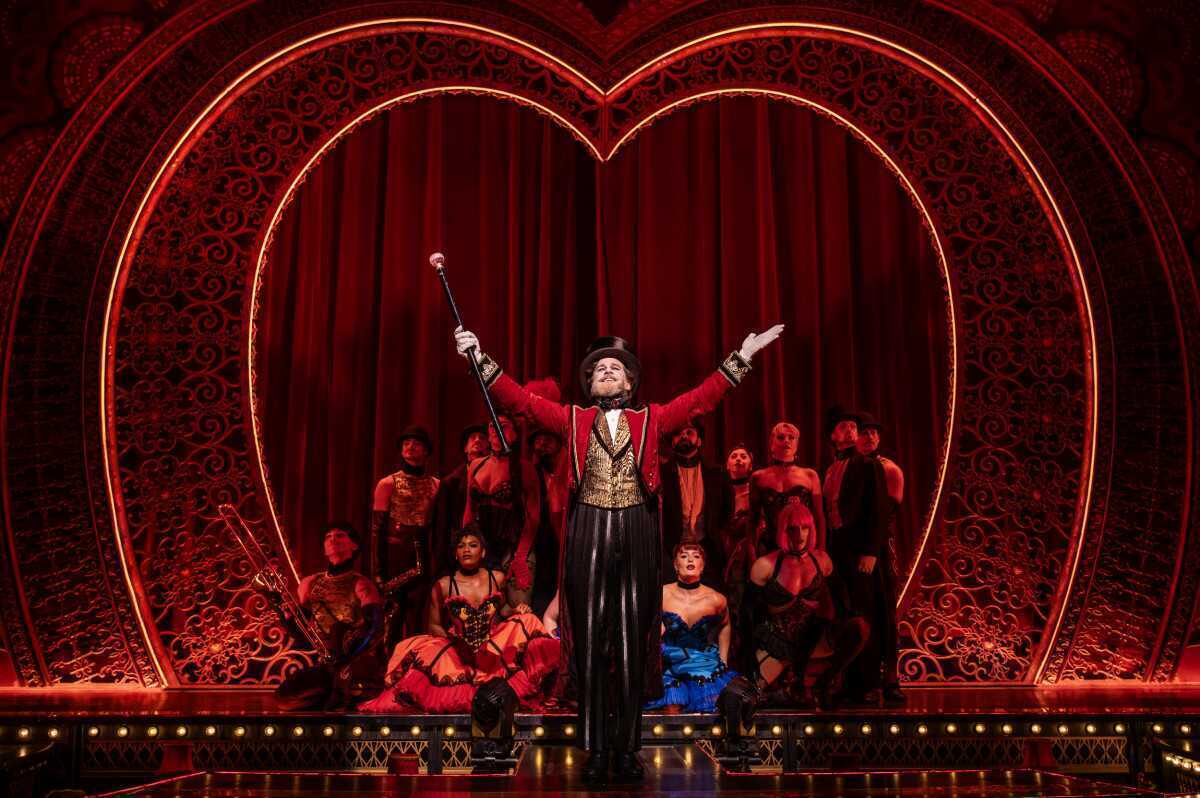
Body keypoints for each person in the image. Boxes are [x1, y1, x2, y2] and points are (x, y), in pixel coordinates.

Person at [453, 323, 783, 783]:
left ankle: (627, 748)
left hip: (636, 529)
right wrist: (478, 358)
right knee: (591, 639)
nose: (607, 372)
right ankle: (594, 748)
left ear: (629, 382)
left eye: (616, 368)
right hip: (588, 528)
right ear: (590, 385)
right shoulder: (571, 419)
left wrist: (740, 358)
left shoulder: (653, 419)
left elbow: (700, 400)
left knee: (631, 637)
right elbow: (519, 401)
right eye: (599, 369)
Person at [359, 526, 559, 713]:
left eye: (473, 545)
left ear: (483, 552)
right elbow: (433, 625)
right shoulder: (444, 585)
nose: (466, 550)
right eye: (461, 546)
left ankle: (551, 690)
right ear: (455, 554)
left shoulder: (497, 578)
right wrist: (455, 642)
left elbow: (503, 608)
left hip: (491, 645)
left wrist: (517, 609)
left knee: (528, 620)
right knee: (426, 652)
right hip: (457, 647)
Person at [748, 503, 867, 709]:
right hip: (779, 643)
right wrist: (750, 652)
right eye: (793, 529)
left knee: (859, 627)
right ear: (783, 530)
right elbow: (748, 614)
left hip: (814, 639)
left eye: (805, 528)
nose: (800, 535)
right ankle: (790, 686)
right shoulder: (765, 565)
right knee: (748, 695)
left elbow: (842, 601)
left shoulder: (822, 560)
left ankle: (823, 683)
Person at [822, 406, 889, 705]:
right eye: (843, 427)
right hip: (838, 549)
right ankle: (848, 682)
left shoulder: (868, 465)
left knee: (865, 613)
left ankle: (871, 683)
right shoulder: (829, 470)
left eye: (853, 427)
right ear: (832, 436)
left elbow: (879, 510)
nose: (850, 431)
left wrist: (871, 551)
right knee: (845, 614)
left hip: (861, 549)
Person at [276, 523, 384, 710]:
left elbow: (374, 627)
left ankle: (340, 692)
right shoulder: (309, 583)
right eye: (328, 537)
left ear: (354, 546)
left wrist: (346, 658)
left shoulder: (362, 584)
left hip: (354, 661)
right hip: (326, 662)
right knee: (284, 697)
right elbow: (300, 634)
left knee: (339, 632)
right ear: (324, 549)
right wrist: (280, 610)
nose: (333, 539)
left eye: (340, 535)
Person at [462, 413, 541, 609]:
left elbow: (533, 517)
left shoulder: (525, 469)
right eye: (492, 426)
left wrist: (521, 557)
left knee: (519, 611)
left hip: (515, 548)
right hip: (483, 548)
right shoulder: (476, 466)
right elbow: (469, 510)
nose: (497, 430)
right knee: (482, 612)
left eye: (504, 425)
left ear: (515, 434)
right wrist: (464, 545)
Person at [646, 543, 735, 713]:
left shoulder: (716, 599)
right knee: (672, 703)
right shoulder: (661, 594)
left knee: (710, 705)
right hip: (669, 661)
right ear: (675, 565)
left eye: (696, 556)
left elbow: (725, 625)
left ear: (702, 566)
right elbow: (647, 624)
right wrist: (656, 630)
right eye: (684, 556)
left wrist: (723, 659)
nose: (690, 560)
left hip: (701, 662)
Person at [854, 411, 905, 705]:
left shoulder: (889, 469)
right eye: (864, 432)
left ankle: (890, 679)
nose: (870, 437)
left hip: (879, 549)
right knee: (861, 615)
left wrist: (871, 549)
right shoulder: (849, 468)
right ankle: (865, 679)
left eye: (874, 432)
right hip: (853, 551)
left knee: (885, 613)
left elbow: (887, 515)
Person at [372, 426, 439, 644]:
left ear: (426, 451)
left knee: (417, 614)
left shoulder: (436, 485)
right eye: (406, 444)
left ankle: (414, 656)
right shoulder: (387, 484)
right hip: (394, 557)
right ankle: (389, 658)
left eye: (416, 444)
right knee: (393, 615)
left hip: (422, 554)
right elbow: (377, 530)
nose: (410, 447)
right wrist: (378, 571)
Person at [660, 418, 726, 587]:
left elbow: (725, 513)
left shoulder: (716, 473)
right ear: (672, 442)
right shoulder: (661, 474)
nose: (684, 436)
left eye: (689, 432)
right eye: (678, 434)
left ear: (700, 440)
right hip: (670, 552)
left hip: (708, 551)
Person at [750, 421, 825, 553]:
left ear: (797, 444)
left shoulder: (810, 475)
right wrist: (751, 555)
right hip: (769, 548)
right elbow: (752, 521)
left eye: (791, 438)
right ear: (771, 443)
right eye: (781, 437)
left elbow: (819, 518)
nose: (786, 441)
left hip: (803, 548)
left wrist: (821, 552)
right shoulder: (758, 477)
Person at [431, 423, 489, 577]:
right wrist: (441, 564)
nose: (477, 440)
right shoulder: (451, 482)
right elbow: (442, 526)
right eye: (472, 438)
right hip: (460, 552)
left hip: (490, 551)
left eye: (482, 438)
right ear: (465, 448)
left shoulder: (498, 477)